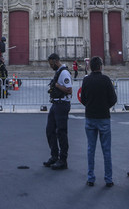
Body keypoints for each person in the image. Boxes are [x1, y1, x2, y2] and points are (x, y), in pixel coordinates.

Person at [79, 56, 116, 187]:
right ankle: (108, 179)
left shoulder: (86, 80)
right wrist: (105, 107)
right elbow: (113, 99)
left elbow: (83, 98)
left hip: (90, 117)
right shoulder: (106, 80)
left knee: (90, 149)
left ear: (89, 67)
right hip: (104, 118)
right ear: (101, 66)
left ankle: (90, 178)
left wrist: (90, 106)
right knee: (106, 150)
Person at [43, 52, 72, 170]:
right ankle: (54, 156)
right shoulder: (58, 72)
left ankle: (63, 159)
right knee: (50, 130)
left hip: (62, 104)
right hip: (56, 104)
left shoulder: (64, 72)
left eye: (51, 64)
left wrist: (56, 85)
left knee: (61, 132)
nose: (51, 66)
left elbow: (69, 90)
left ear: (55, 61)